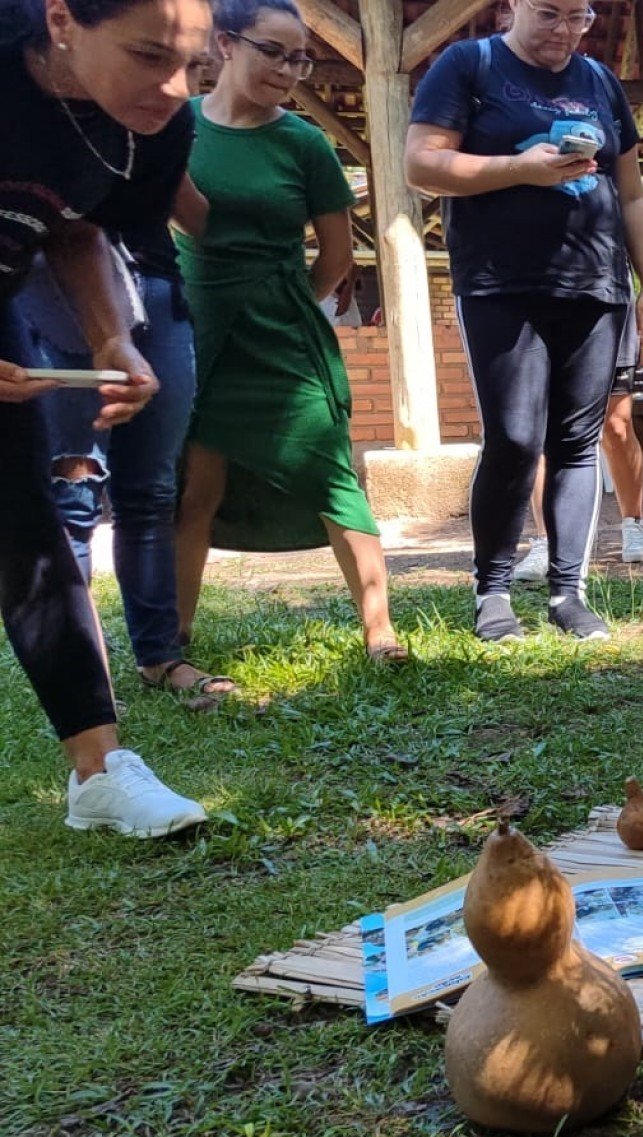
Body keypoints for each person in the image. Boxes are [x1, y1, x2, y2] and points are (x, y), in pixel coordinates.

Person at [1, 0, 214, 836]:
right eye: (147, 55)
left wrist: (111, 336)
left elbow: (78, 229)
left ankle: (99, 773)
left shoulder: (155, 126)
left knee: (29, 534)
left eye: (191, 65)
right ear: (61, 21)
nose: (171, 88)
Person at [406, 0, 643, 641]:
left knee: (578, 443)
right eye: (548, 14)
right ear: (514, 7)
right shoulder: (469, 65)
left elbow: (632, 192)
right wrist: (522, 169)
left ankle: (567, 594)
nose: (564, 32)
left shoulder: (599, 81)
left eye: (578, 17)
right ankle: (491, 591)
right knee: (516, 439)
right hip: (500, 283)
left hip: (595, 287)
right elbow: (422, 165)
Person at [174, 0, 406, 663]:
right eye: (273, 52)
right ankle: (173, 639)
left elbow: (338, 260)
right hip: (198, 327)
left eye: (299, 56)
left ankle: (379, 630)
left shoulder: (304, 144)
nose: (289, 69)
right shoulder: (176, 126)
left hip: (284, 329)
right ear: (224, 43)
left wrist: (287, 302)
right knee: (196, 485)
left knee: (333, 472)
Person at [18, 179, 229, 706]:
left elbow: (200, 222)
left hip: (156, 291)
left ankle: (160, 657)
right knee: (73, 487)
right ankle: (83, 670)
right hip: (55, 296)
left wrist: (166, 161)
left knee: (153, 492)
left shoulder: (162, 122)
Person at [511, 317, 643, 581]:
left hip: (606, 307)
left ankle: (634, 523)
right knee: (543, 427)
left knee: (617, 426)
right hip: (540, 305)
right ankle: (547, 540)